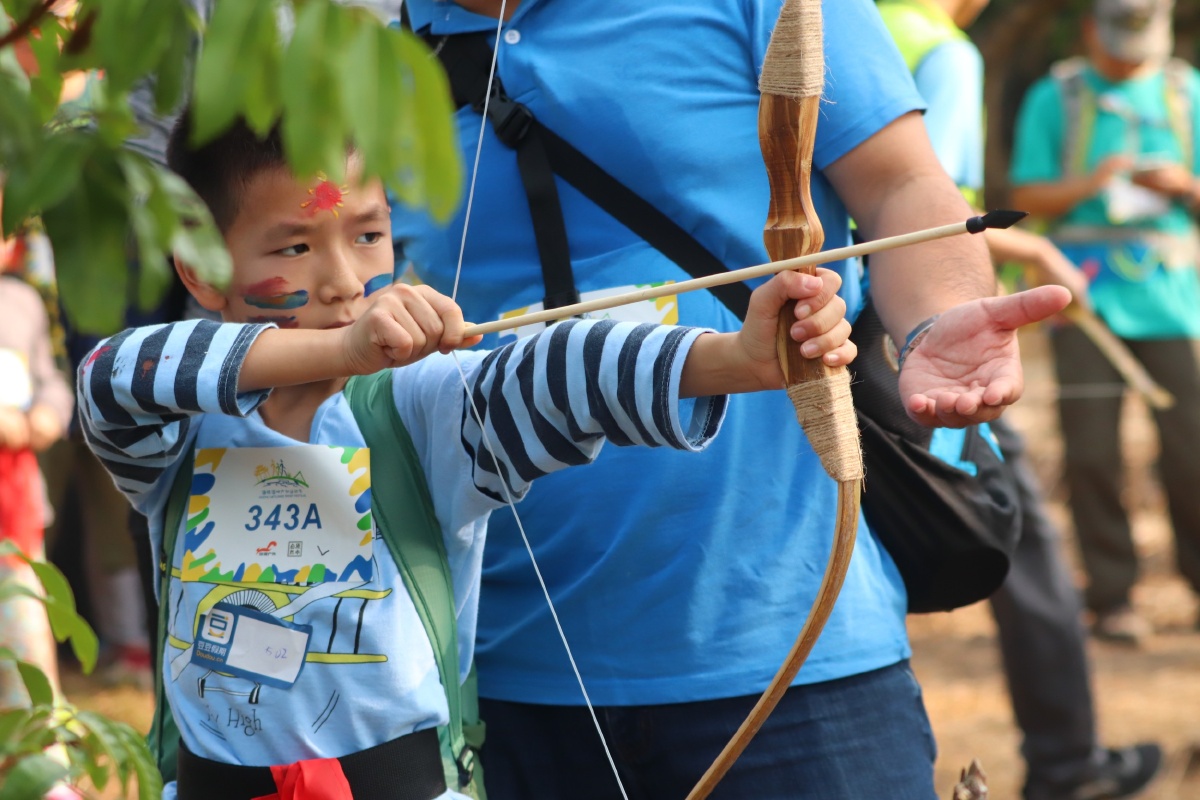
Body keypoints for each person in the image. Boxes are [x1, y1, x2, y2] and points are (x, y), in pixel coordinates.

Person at [76, 113, 922, 800]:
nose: (343, 279)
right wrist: (343, 351)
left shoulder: (420, 404)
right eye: (294, 247)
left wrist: (735, 363)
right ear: (200, 267)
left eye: (368, 235)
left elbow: (561, 371)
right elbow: (115, 375)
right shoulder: (180, 428)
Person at [390, 1, 1063, 797]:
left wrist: (937, 321)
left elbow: (905, 184)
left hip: (796, 647)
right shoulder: (349, 47)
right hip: (492, 665)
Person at [877, 1, 1164, 798]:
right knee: (1019, 530)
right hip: (926, 346)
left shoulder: (835, 24)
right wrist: (1015, 245)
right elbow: (918, 215)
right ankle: (1069, 761)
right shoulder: (942, 51)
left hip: (858, 339)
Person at [1010, 0, 1200, 644]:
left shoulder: (1185, 91)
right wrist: (1092, 182)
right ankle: (1113, 596)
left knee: (1191, 447)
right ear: (1092, 29)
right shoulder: (1055, 96)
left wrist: (1183, 186)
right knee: (1092, 452)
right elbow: (1025, 197)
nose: (1129, 52)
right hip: (1084, 302)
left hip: (1170, 300)